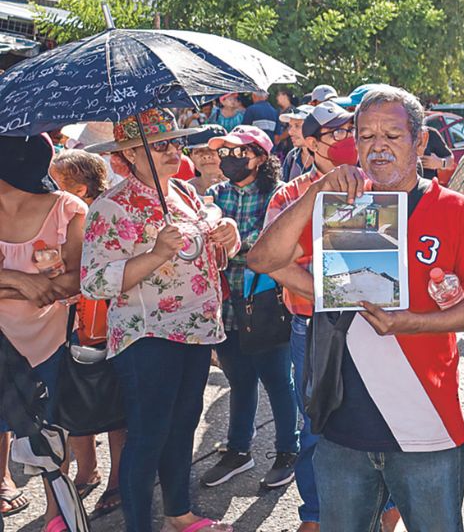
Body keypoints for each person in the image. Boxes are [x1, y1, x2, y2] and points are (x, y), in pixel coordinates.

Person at [248, 85, 464, 532]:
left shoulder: (453, 209)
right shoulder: (345, 207)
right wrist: (316, 195)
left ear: (420, 142)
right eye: (366, 136)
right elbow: (265, 261)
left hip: (428, 424)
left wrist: (415, 323)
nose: (377, 146)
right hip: (344, 428)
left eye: (392, 135)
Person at [81, 109, 241, 532]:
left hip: (196, 328)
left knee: (184, 423)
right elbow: (95, 281)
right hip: (147, 334)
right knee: (149, 434)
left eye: (175, 142)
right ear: (130, 153)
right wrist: (154, 255)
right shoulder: (110, 206)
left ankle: (178, 514)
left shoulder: (184, 194)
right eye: (161, 145)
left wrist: (227, 235)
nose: (173, 151)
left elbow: (204, 254)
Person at [261, 101, 357, 532]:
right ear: (312, 144)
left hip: (374, 323)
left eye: (351, 129)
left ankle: (383, 505)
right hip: (313, 323)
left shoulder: (376, 186)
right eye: (338, 133)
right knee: (316, 419)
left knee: (378, 416)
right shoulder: (289, 195)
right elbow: (271, 261)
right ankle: (315, 515)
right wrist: (327, 293)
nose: (349, 139)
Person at [199, 126, 299, 491]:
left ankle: (289, 450)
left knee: (278, 383)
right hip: (224, 306)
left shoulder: (279, 195)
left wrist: (236, 243)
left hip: (265, 303)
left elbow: (273, 245)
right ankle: (239, 450)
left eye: (239, 153)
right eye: (224, 151)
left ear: (259, 158)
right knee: (239, 381)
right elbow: (204, 226)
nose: (228, 159)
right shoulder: (214, 195)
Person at [0, 134, 87, 531]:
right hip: (5, 342)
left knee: (51, 433)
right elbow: (51, 284)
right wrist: (23, 281)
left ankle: (57, 516)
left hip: (50, 342)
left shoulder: (68, 208)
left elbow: (76, 280)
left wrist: (21, 284)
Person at [49, 149, 128, 518]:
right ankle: (88, 471)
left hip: (108, 323)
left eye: (58, 182)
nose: (50, 187)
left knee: (116, 409)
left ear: (80, 188)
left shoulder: (104, 212)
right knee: (76, 402)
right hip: (74, 323)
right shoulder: (57, 212)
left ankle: (116, 480)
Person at [184, 125, 228, 196]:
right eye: (199, 151)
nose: (206, 155)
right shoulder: (183, 191)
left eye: (212, 149)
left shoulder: (239, 188)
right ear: (191, 156)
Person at [279, 106, 316, 182]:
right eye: (290, 126)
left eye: (297, 126)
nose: (290, 132)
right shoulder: (291, 156)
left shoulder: (325, 157)